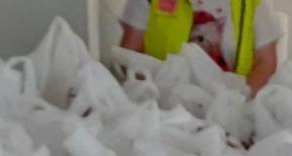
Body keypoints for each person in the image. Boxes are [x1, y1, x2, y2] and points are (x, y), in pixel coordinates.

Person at [120, 0, 283, 92]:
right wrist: (152, 95)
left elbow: (265, 63)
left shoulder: (254, 3)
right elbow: (129, 54)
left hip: (232, 113)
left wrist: (239, 102)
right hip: (164, 111)